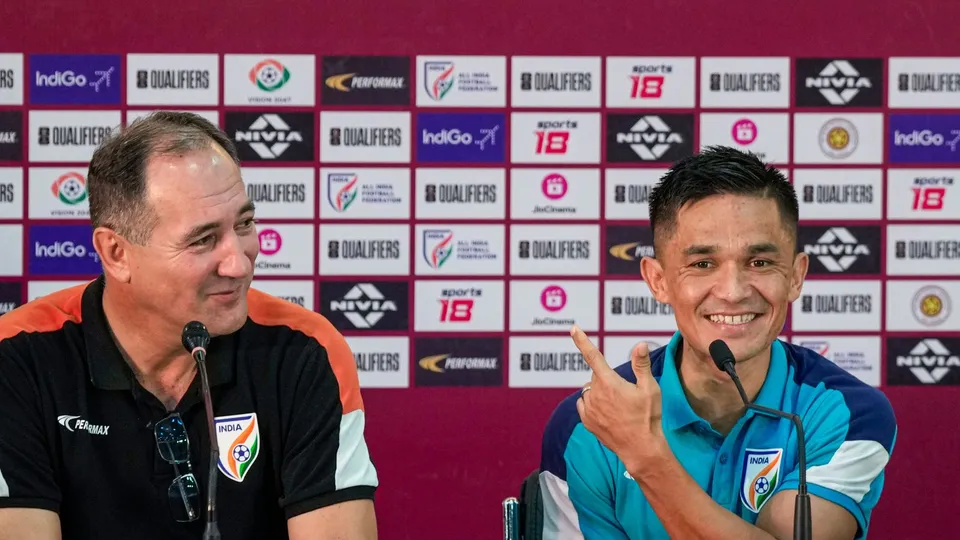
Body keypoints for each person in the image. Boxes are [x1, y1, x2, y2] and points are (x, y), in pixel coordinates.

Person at [0, 112, 379, 540]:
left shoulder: (304, 350)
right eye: (202, 240)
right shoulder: (17, 357)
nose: (239, 263)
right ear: (116, 253)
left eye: (244, 224)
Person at [539, 146, 897, 540]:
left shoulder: (849, 413)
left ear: (796, 276)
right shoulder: (588, 425)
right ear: (658, 280)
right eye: (702, 264)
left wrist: (645, 456)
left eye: (759, 263)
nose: (733, 291)